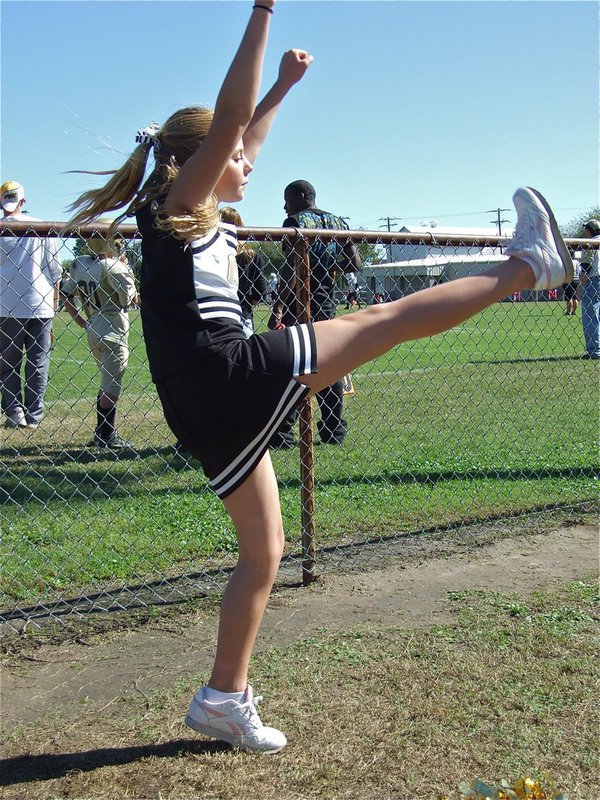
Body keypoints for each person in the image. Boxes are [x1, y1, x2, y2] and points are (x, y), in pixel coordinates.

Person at [64, 0, 572, 754]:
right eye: (236, 156)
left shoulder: (191, 208)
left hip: (201, 401)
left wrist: (284, 88)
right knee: (380, 321)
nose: (249, 163)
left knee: (264, 551)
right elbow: (233, 120)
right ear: (205, 157)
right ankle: (527, 268)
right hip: (222, 372)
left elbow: (245, 127)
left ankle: (221, 699)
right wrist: (264, 11)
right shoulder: (182, 203)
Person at [269, 179, 361, 447]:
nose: (284, 207)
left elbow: (290, 269)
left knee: (292, 367)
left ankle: (283, 433)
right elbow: (354, 263)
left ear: (300, 196)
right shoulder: (338, 223)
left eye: (287, 199)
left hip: (298, 304)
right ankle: (333, 430)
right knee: (327, 367)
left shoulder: (295, 222)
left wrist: (278, 306)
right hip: (325, 303)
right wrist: (327, 263)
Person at [60, 233, 138, 448]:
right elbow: (130, 299)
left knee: (106, 383)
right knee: (112, 386)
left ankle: (102, 431)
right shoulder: (113, 266)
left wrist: (79, 320)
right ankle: (105, 434)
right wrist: (126, 269)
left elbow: (66, 293)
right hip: (113, 328)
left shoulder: (81, 264)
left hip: (93, 324)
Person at [0, 181, 62, 429]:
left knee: (8, 363)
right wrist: (55, 302)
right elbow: (55, 269)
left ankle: (15, 412)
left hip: (6, 305)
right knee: (38, 362)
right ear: (23, 202)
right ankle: (34, 414)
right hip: (41, 303)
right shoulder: (41, 227)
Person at [219, 206, 267, 337]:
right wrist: (249, 301)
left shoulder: (212, 252)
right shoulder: (251, 256)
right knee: (244, 353)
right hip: (242, 311)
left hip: (217, 311)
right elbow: (261, 290)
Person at [578, 218, 600, 359]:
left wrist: (580, 286)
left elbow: (586, 267)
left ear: (589, 230)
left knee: (590, 316)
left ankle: (595, 350)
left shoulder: (590, 243)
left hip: (593, 281)